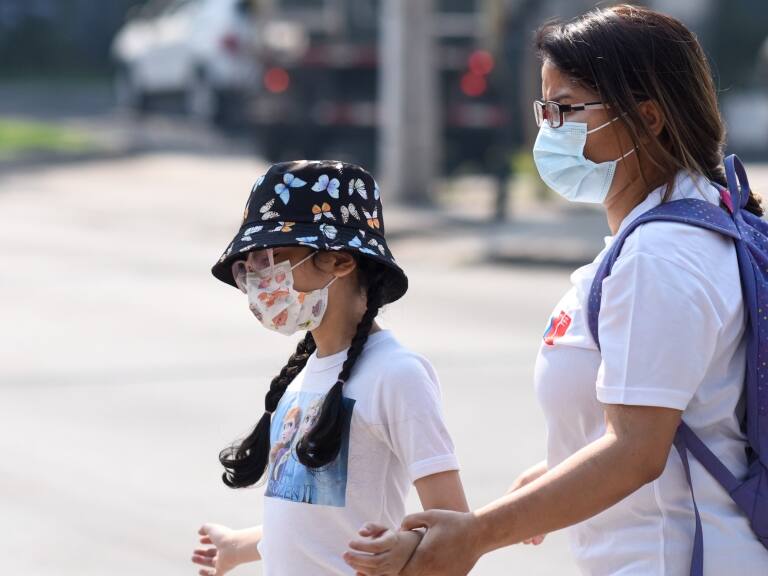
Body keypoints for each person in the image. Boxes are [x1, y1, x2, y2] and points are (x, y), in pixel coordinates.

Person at [344, 5, 768, 575]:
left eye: (566, 109)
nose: (548, 129)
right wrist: (551, 485)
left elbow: (635, 452)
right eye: (544, 108)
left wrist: (476, 536)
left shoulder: (659, 256)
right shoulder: (687, 228)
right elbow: (683, 418)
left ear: (647, 118)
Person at [190, 160, 469, 575]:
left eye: (271, 259)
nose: (257, 282)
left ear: (339, 262)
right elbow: (317, 522)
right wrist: (239, 546)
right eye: (247, 269)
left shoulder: (398, 374)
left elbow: (457, 528)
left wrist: (405, 546)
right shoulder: (302, 377)